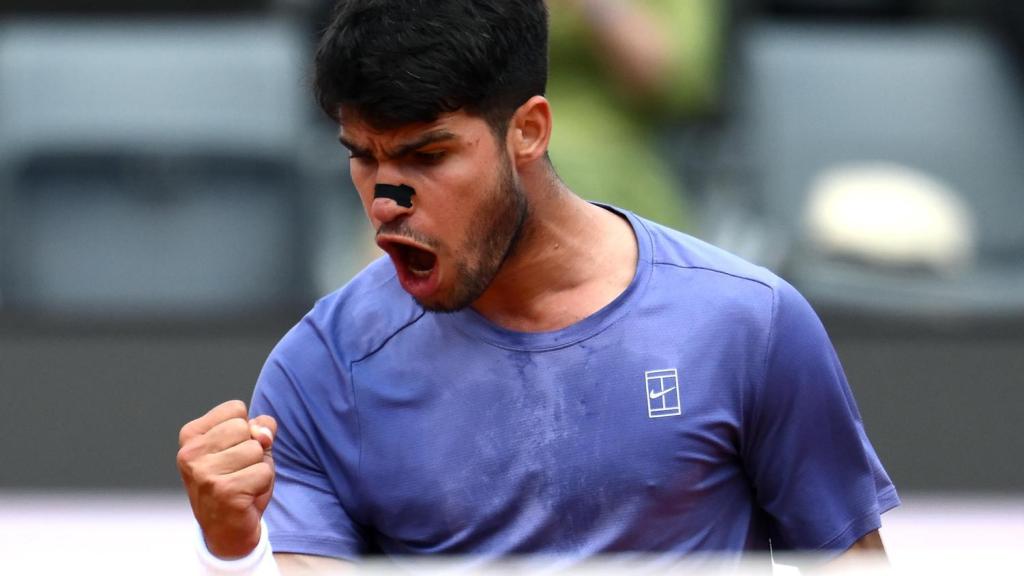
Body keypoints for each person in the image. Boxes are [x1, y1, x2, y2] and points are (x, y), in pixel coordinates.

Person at [176, 1, 899, 573]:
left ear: (528, 130)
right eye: (364, 157)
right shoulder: (319, 370)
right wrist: (235, 553)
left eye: (427, 156)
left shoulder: (748, 324)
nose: (387, 200)